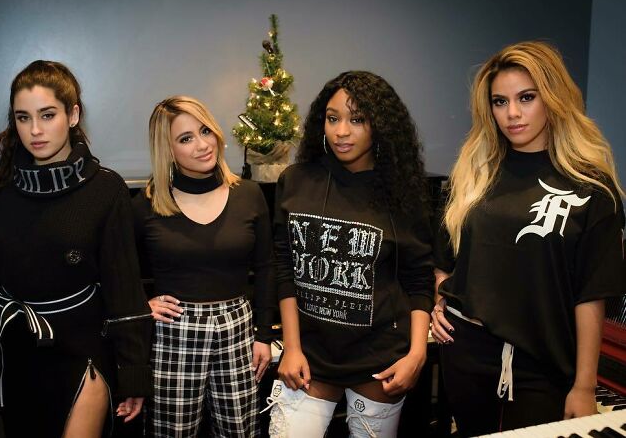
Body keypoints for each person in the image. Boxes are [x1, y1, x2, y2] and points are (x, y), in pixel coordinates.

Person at [0, 60, 153, 438]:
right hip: (18, 357)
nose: (35, 130)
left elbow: (124, 290)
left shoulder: (105, 189)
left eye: (47, 115)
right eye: (23, 117)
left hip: (83, 354)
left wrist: (134, 375)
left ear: (73, 115)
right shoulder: (2, 192)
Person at [431, 41, 626, 436]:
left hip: (543, 363)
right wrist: (440, 304)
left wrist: (584, 385)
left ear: (552, 97)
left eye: (526, 97)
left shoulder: (591, 188)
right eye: (500, 102)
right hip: (466, 354)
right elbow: (444, 260)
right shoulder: (474, 174)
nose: (512, 114)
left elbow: (591, 294)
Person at [265, 71, 435, 437]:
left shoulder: (402, 192)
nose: (341, 131)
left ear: (380, 126)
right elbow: (285, 268)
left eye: (357, 120)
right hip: (309, 357)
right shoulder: (296, 181)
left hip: (380, 361)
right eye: (333, 118)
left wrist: (417, 354)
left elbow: (419, 279)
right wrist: (291, 348)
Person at [132, 95, 276, 437]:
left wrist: (264, 336)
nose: (202, 145)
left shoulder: (249, 194)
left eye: (205, 131)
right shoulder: (146, 205)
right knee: (173, 432)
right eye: (186, 138)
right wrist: (140, 304)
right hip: (174, 332)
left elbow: (267, 267)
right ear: (167, 149)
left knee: (240, 430)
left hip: (238, 328)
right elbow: (117, 270)